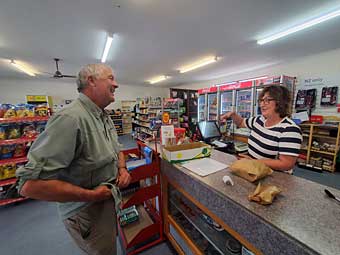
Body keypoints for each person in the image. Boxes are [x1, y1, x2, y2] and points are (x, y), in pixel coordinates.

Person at [16, 63, 131, 255]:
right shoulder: (70, 119)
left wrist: (122, 168)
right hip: (86, 211)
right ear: (91, 81)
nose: (116, 84)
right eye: (110, 78)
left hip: (106, 202)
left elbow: (117, 148)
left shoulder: (103, 116)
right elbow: (30, 185)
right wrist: (91, 195)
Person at [220, 85, 302, 173]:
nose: (262, 104)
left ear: (280, 102)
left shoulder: (290, 129)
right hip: (255, 169)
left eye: (267, 100)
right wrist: (233, 114)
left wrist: (254, 162)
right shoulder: (259, 120)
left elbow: (286, 164)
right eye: (262, 100)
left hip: (272, 176)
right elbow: (240, 123)